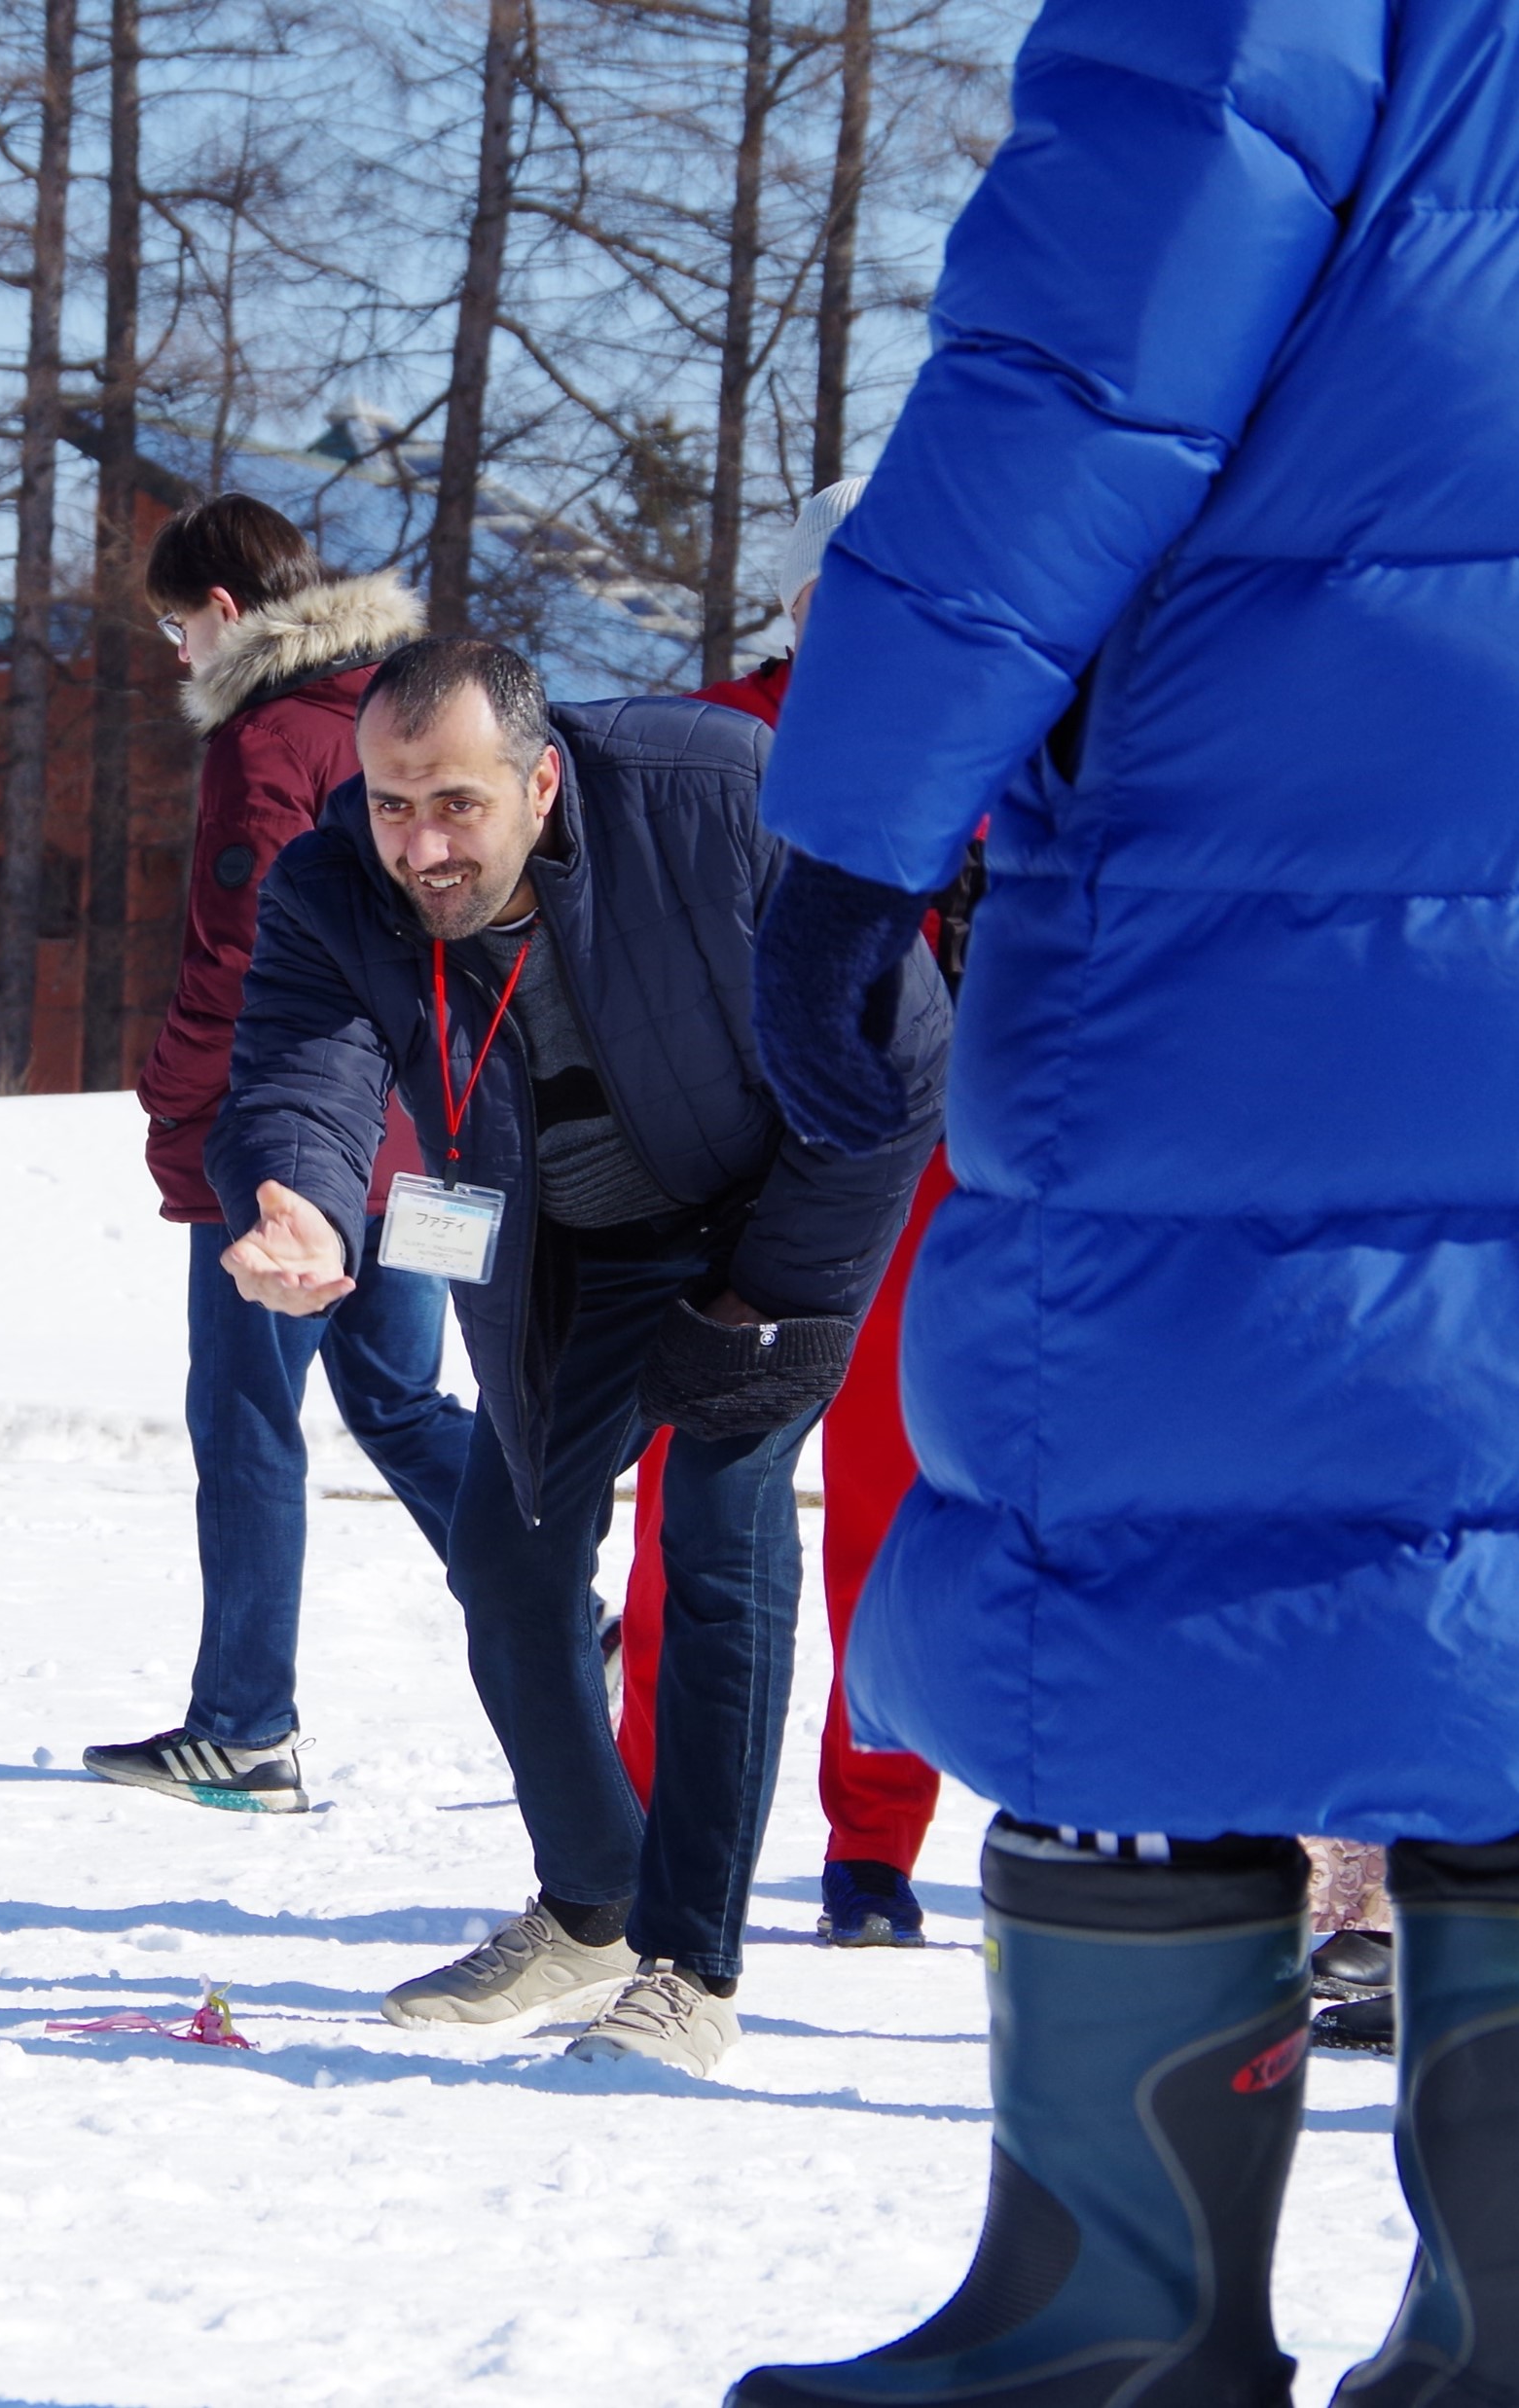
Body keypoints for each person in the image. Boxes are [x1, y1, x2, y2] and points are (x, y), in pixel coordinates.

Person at [728, 2, 1519, 2396]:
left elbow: (1101, 336)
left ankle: (1105, 2319)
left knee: (1162, 1499)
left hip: (1307, 790)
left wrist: (858, 808)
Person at [208, 634, 945, 2073]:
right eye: (392, 801)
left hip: (774, 1208)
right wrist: (292, 1189)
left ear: (543, 780)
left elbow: (898, 1053)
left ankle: (690, 1967)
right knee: (508, 1549)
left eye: (457, 805)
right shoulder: (335, 877)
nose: (419, 844)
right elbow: (302, 1062)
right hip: (563, 1246)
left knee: (722, 1532)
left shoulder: (720, 793)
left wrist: (766, 1295)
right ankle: (592, 1900)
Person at [608, 475, 958, 1950]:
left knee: (895, 1518)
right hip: (728, 1178)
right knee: (698, 1504)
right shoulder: (703, 742)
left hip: (918, 1186)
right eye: (851, 594)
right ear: (804, 603)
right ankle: (648, 1824)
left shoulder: (986, 751)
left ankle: (872, 1843)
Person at [81, 496, 470, 1815]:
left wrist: (172, 1099)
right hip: (411, 1136)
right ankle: (555, 1597)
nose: (176, 656)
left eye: (176, 628)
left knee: (247, 1415)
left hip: (289, 1142)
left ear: (228, 615)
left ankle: (245, 1726)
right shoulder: (394, 715)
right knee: (403, 1402)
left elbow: (242, 960)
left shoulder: (268, 741)